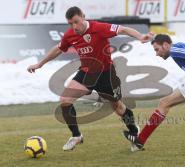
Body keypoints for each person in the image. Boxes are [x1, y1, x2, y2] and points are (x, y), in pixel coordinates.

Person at [27, 6, 151, 151]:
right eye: (70, 24)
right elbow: (58, 49)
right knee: (65, 100)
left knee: (118, 107)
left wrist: (140, 37)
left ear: (83, 17)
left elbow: (123, 29)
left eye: (76, 22)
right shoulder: (70, 35)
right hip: (86, 74)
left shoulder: (99, 28)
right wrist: (40, 64)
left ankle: (134, 132)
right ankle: (76, 136)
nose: (74, 27)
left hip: (106, 75)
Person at [123, 34, 185, 152]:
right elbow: (183, 48)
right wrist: (153, 38)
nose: (157, 53)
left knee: (164, 103)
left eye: (157, 49)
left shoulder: (174, 49)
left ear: (166, 45)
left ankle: (139, 141)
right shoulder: (174, 47)